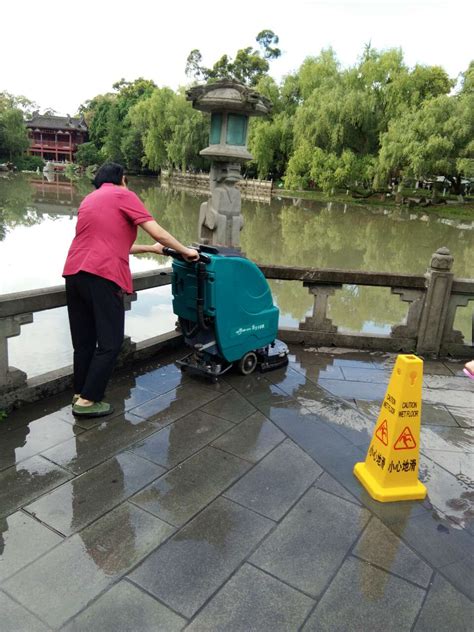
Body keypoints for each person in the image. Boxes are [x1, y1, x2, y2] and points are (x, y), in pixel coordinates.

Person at [63, 162, 199, 418]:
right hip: (102, 275)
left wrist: (150, 249)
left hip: (74, 274)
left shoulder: (89, 200)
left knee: (83, 342)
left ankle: (79, 392)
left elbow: (106, 243)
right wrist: (186, 251)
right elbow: (158, 231)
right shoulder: (123, 194)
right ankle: (88, 402)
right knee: (111, 343)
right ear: (123, 179)